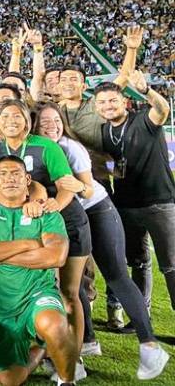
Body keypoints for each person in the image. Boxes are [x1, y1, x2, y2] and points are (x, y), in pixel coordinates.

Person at [35, 101, 169, 378]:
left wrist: (76, 186)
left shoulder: (71, 147)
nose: (52, 126)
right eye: (45, 122)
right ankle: (87, 343)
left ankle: (149, 344)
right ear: (35, 125)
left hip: (96, 209)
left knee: (115, 274)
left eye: (56, 121)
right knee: (71, 284)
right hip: (67, 218)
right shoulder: (33, 148)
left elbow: (85, 191)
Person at [0, 99, 91, 371]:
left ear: (28, 120)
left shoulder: (47, 146)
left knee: (70, 293)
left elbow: (67, 187)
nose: (11, 121)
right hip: (34, 230)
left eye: (17, 116)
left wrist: (53, 207)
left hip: (67, 223)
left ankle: (75, 356)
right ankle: (51, 349)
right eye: (5, 116)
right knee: (47, 293)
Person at [0, 156, 78, 385]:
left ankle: (67, 380)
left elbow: (56, 256)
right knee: (10, 380)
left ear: (27, 180)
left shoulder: (47, 213)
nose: (9, 179)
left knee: (55, 325)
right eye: (3, 174)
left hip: (38, 293)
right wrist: (30, 244)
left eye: (16, 173)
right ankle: (42, 348)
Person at [95, 76, 175, 316]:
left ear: (125, 101)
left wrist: (147, 90)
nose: (108, 105)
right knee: (138, 263)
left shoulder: (143, 120)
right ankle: (142, 315)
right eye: (102, 102)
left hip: (159, 203)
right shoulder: (104, 130)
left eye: (112, 100)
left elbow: (162, 109)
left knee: (171, 266)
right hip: (126, 206)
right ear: (97, 107)